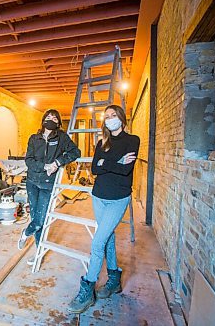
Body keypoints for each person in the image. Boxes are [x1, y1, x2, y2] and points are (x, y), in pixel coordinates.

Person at [68, 105, 140, 313]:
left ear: (121, 119)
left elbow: (126, 169)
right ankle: (114, 279)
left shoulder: (132, 140)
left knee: (98, 242)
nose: (110, 119)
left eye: (113, 115)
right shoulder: (103, 142)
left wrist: (106, 162)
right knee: (108, 238)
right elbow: (94, 169)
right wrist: (114, 162)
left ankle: (87, 289)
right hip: (99, 196)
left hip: (119, 198)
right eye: (107, 117)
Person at [17, 109, 81, 265]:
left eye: (54, 117)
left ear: (58, 123)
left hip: (47, 184)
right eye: (48, 117)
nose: (50, 119)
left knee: (40, 220)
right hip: (32, 182)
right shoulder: (34, 138)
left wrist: (58, 163)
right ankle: (38, 253)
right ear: (43, 120)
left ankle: (25, 233)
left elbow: (75, 152)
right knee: (35, 217)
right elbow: (29, 160)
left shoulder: (62, 138)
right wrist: (45, 166)